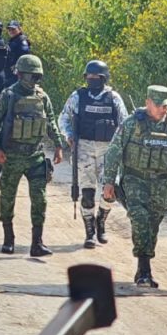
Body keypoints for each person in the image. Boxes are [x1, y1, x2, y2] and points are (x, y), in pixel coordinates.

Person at [103, 86, 167, 288]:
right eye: (160, 105)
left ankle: (143, 267)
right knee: (141, 219)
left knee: (153, 225)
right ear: (148, 103)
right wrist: (108, 181)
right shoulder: (132, 124)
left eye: (166, 106)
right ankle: (145, 269)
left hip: (161, 183)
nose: (164, 109)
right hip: (135, 180)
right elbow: (113, 151)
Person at [0, 55, 65, 256]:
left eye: (36, 77)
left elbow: (51, 123)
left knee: (40, 200)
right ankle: (8, 239)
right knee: (7, 198)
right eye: (30, 76)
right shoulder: (8, 96)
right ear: (20, 75)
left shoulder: (42, 97)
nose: (33, 80)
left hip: (35, 157)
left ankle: (37, 243)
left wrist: (58, 145)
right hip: (11, 157)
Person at [59, 60, 128, 249]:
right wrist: (69, 135)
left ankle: (101, 221)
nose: (91, 80)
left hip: (108, 149)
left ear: (103, 78)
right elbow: (63, 117)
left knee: (110, 191)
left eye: (95, 77)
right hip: (84, 148)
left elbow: (124, 123)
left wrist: (121, 146)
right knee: (87, 193)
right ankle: (89, 232)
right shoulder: (78, 96)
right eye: (88, 77)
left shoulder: (114, 98)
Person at [2, 21, 31, 87]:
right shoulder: (13, 40)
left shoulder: (21, 40)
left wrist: (17, 65)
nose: (11, 31)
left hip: (17, 74)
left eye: (13, 29)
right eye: (9, 29)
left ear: (19, 29)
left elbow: (25, 53)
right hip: (9, 73)